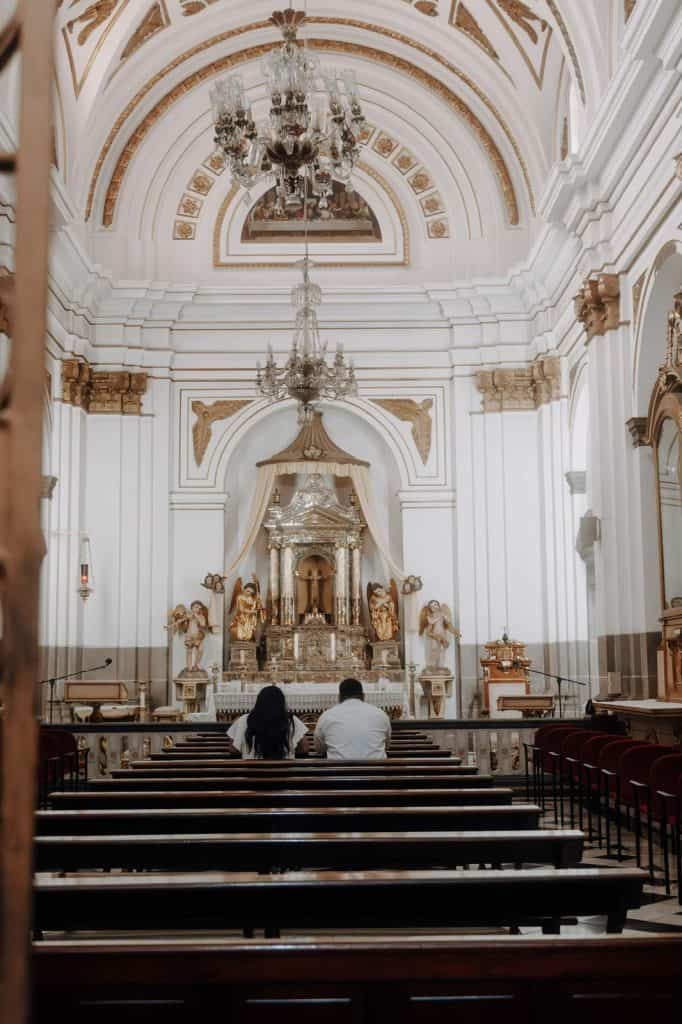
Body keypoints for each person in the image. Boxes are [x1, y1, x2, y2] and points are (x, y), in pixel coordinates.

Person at [314, 678, 391, 760]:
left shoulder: (326, 716)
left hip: (338, 771)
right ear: (363, 696)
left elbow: (319, 749)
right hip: (376, 771)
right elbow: (386, 746)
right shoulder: (380, 714)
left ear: (339, 697)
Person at [226, 685, 308, 760]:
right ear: (281, 702)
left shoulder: (244, 720)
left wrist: (249, 750)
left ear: (258, 702)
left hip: (251, 773)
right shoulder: (290, 720)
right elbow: (304, 748)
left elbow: (233, 749)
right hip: (284, 773)